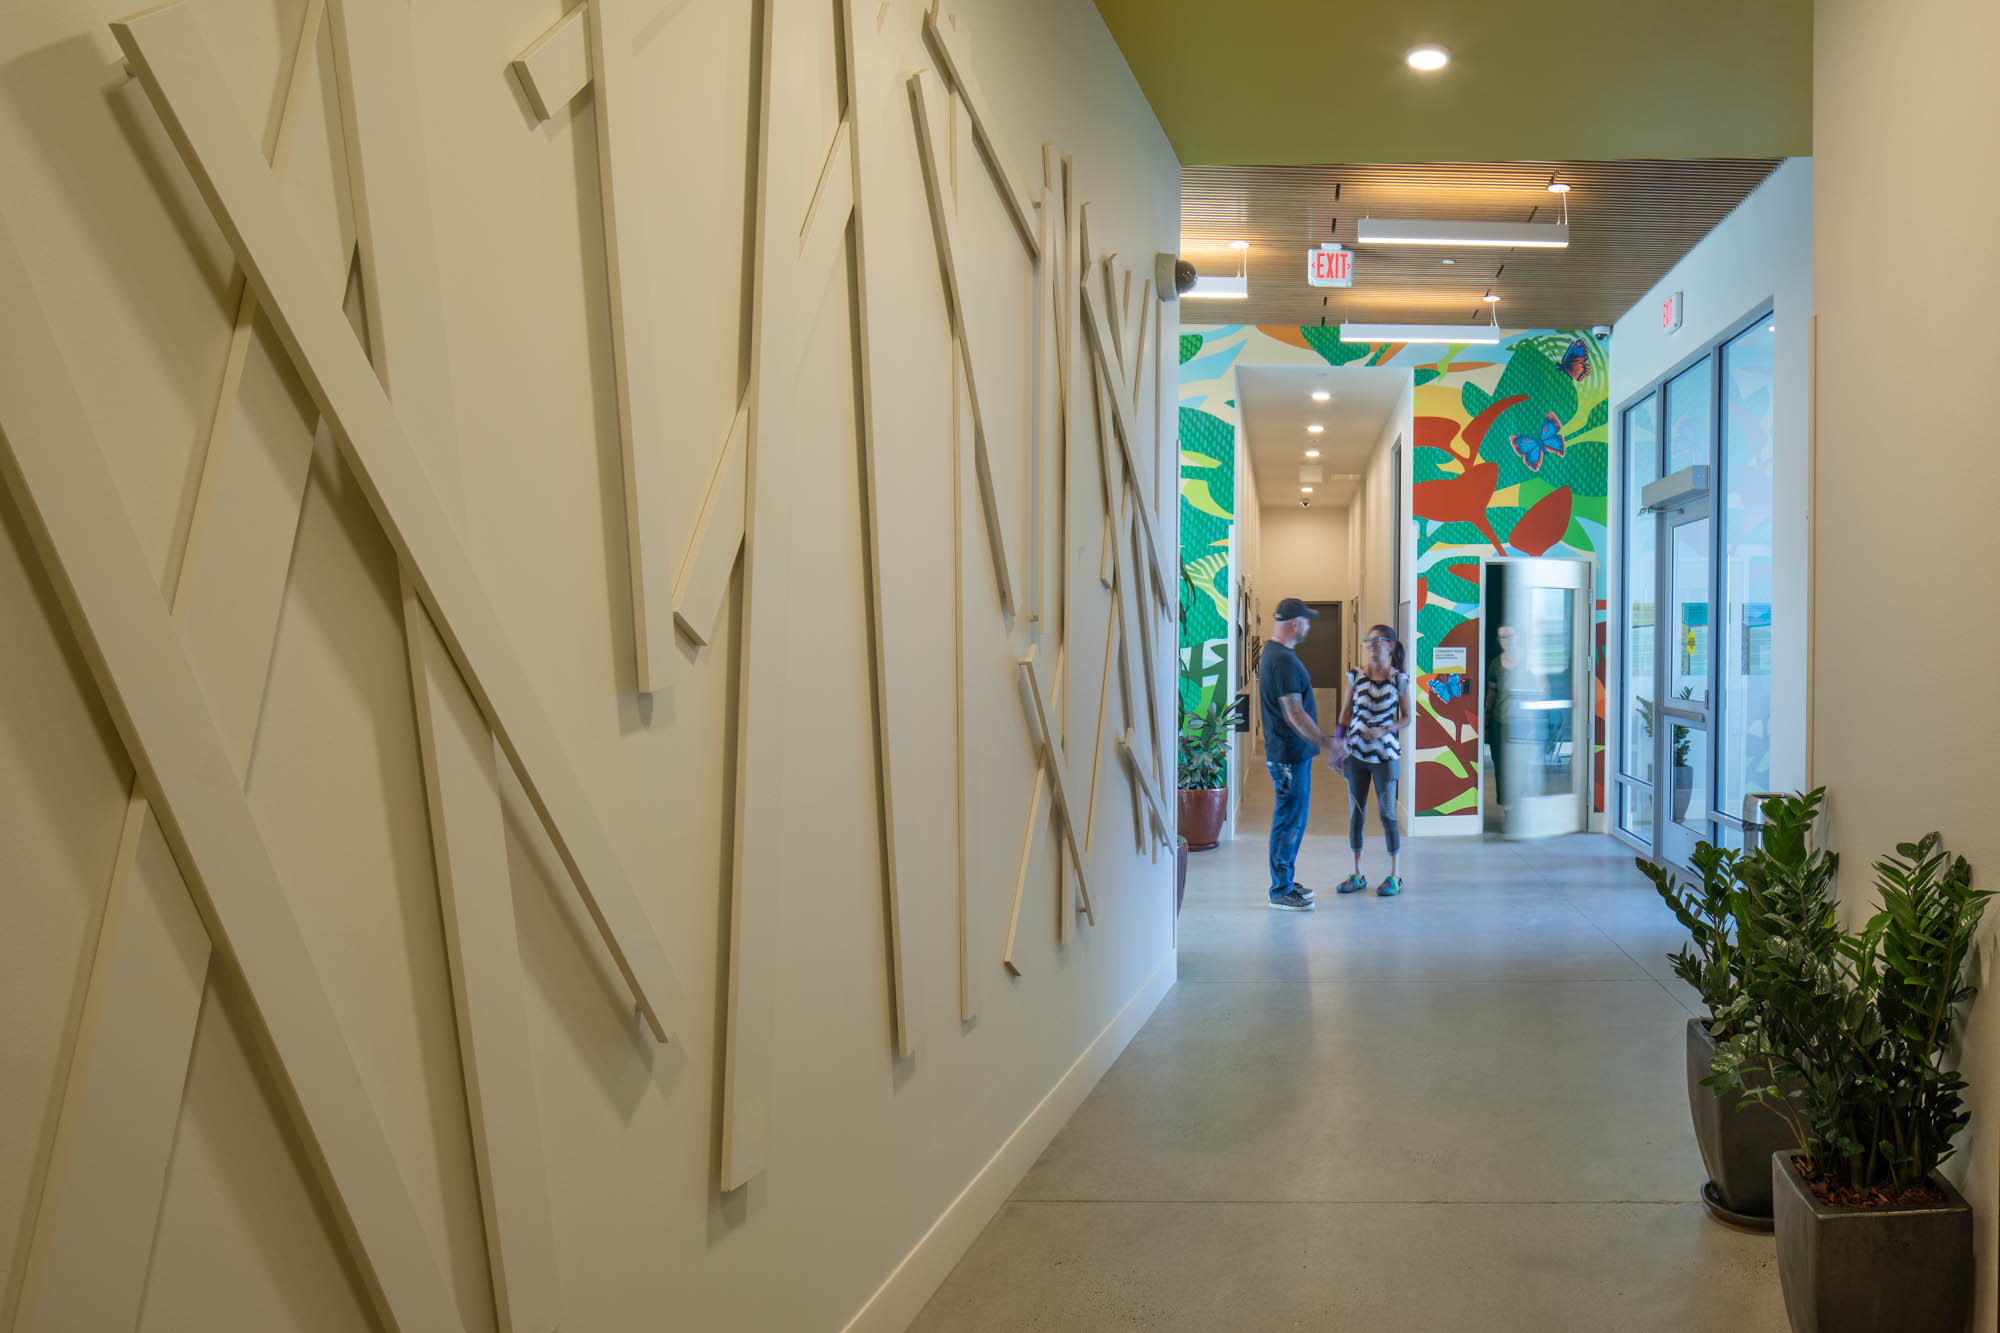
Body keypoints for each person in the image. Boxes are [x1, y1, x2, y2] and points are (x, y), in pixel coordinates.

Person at [1257, 598, 1342, 912]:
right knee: (1288, 822)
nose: (1308, 626)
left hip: (1291, 756)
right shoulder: (1281, 660)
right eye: (1306, 621)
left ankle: (1286, 882)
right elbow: (1294, 714)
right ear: (1295, 624)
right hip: (1289, 757)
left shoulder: (1278, 655)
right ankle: (1280, 891)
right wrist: (1327, 742)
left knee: (1292, 820)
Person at [1334, 624, 1414, 897]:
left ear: (1390, 645)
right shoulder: (1355, 676)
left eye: (1378, 640)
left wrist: (1385, 729)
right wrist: (1338, 743)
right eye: (1369, 640)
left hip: (1385, 756)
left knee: (1387, 813)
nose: (1372, 644)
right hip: (1355, 755)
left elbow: (1407, 717)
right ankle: (1357, 873)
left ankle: (1395, 875)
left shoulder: (1399, 679)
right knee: (1356, 813)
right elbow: (1346, 712)